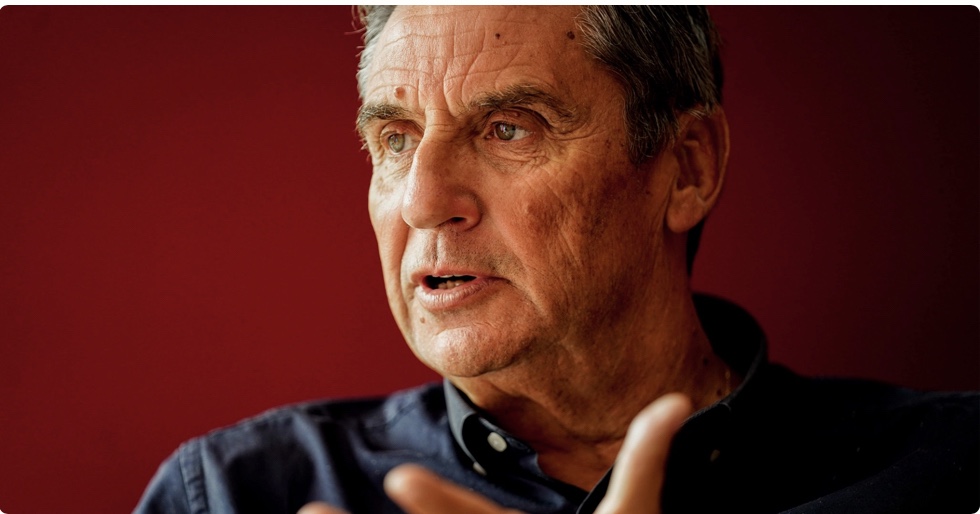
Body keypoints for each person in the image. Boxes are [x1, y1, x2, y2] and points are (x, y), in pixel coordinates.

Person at [135, 6, 978, 513]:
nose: (423, 201)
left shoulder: (950, 470)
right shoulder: (239, 495)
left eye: (508, 130)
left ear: (687, 167)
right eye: (394, 139)